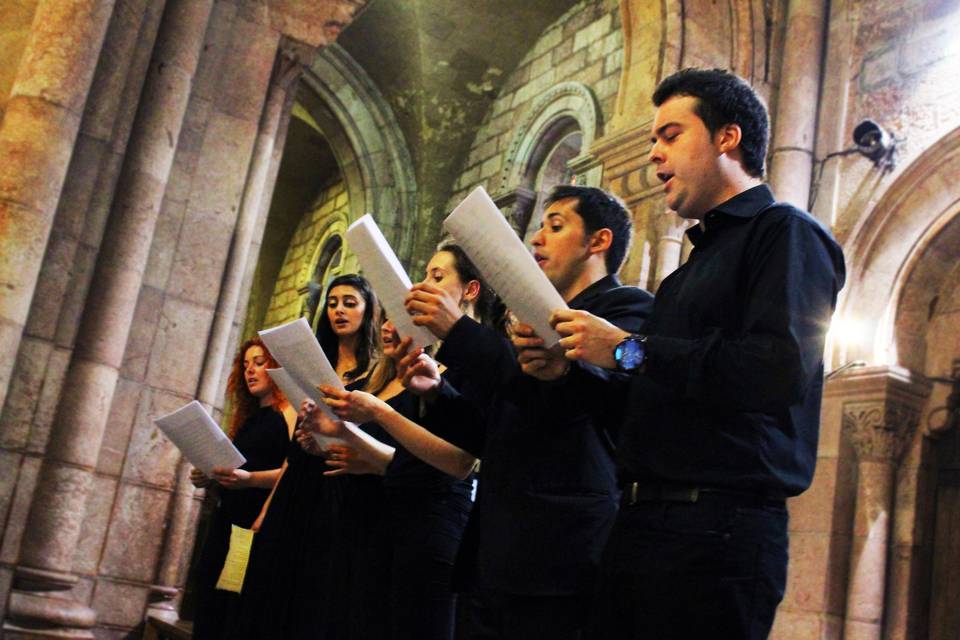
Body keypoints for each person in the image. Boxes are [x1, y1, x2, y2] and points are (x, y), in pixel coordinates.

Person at [550, 68, 846, 638]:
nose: (654, 155)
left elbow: (775, 368)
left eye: (670, 135)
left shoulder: (784, 233)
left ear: (726, 138)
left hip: (717, 534)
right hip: (642, 522)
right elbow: (646, 408)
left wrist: (630, 351)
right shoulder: (690, 272)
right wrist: (570, 369)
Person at [404, 188, 653, 639]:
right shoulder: (527, 320)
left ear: (598, 241)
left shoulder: (625, 310)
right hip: (495, 548)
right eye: (539, 226)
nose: (537, 239)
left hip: (560, 551)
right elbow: (491, 434)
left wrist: (461, 333)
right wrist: (438, 392)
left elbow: (578, 406)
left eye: (555, 226)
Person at [309, 244, 506, 640]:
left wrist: (377, 416)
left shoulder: (484, 357)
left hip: (435, 521)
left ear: (470, 290)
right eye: (425, 275)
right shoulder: (423, 359)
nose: (424, 285)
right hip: (388, 515)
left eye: (438, 277)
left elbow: (459, 462)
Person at [229, 274, 384, 639]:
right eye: (332, 303)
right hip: (297, 479)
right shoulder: (312, 365)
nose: (339, 310)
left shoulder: (376, 372)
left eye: (350, 302)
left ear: (369, 311)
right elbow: (292, 448)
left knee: (315, 590)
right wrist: (266, 509)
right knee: (271, 584)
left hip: (335, 483)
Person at [189, 338, 295, 640]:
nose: (251, 371)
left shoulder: (287, 411)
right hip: (227, 519)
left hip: (252, 525)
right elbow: (238, 467)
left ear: (276, 367)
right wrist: (210, 475)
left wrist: (249, 479)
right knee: (209, 594)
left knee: (231, 606)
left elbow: (294, 473)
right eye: (245, 365)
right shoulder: (249, 419)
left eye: (260, 363)